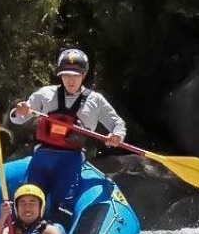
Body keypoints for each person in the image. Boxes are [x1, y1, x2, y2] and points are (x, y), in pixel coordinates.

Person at [9, 48, 127, 222]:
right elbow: (17, 118)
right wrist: (20, 111)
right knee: (30, 200)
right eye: (66, 75)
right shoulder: (44, 94)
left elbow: (117, 124)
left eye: (75, 75)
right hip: (42, 155)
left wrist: (116, 136)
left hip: (71, 159)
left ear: (84, 74)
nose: (70, 80)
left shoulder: (96, 100)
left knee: (61, 205)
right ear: (60, 75)